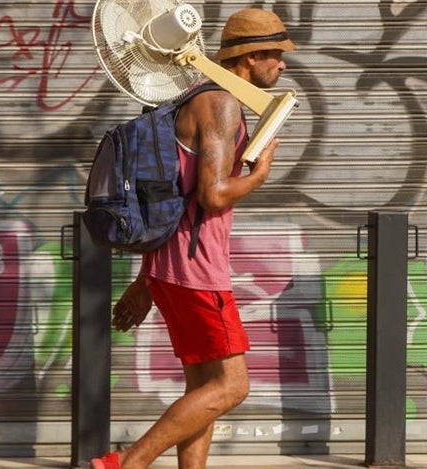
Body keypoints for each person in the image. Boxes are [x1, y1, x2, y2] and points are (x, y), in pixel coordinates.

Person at [91, 8, 296, 469]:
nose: (282, 66)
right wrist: (260, 174)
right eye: (277, 57)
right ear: (252, 56)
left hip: (170, 265)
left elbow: (175, 194)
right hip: (198, 268)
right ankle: (125, 463)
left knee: (202, 387)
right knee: (232, 386)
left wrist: (147, 280)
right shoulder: (220, 103)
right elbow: (212, 195)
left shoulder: (194, 98)